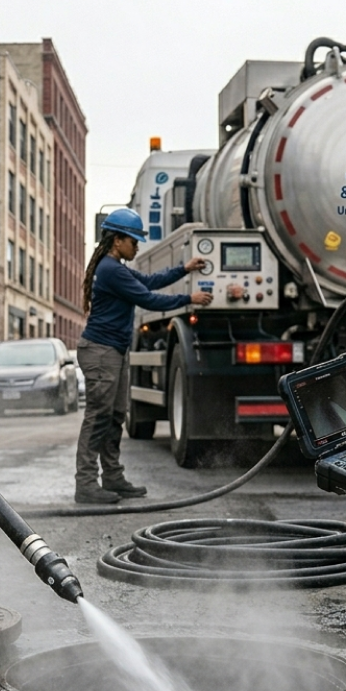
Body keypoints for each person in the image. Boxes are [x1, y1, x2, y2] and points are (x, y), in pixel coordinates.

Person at [74, 209, 213, 504]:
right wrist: (189, 298)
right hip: (101, 352)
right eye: (134, 241)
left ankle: (112, 477)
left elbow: (149, 282)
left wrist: (183, 269)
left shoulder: (116, 267)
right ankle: (85, 484)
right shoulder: (111, 270)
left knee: (114, 417)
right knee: (98, 418)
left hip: (112, 351)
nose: (137, 246)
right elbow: (148, 298)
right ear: (117, 240)